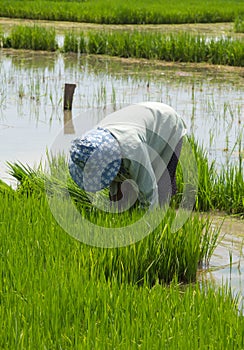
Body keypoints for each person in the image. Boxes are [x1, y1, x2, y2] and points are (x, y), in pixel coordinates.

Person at [69, 102, 187, 210]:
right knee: (122, 197)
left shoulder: (132, 148)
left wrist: (147, 225)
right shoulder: (89, 143)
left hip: (168, 124)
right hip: (138, 122)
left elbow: (150, 190)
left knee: (161, 186)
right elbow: (112, 178)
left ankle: (167, 216)